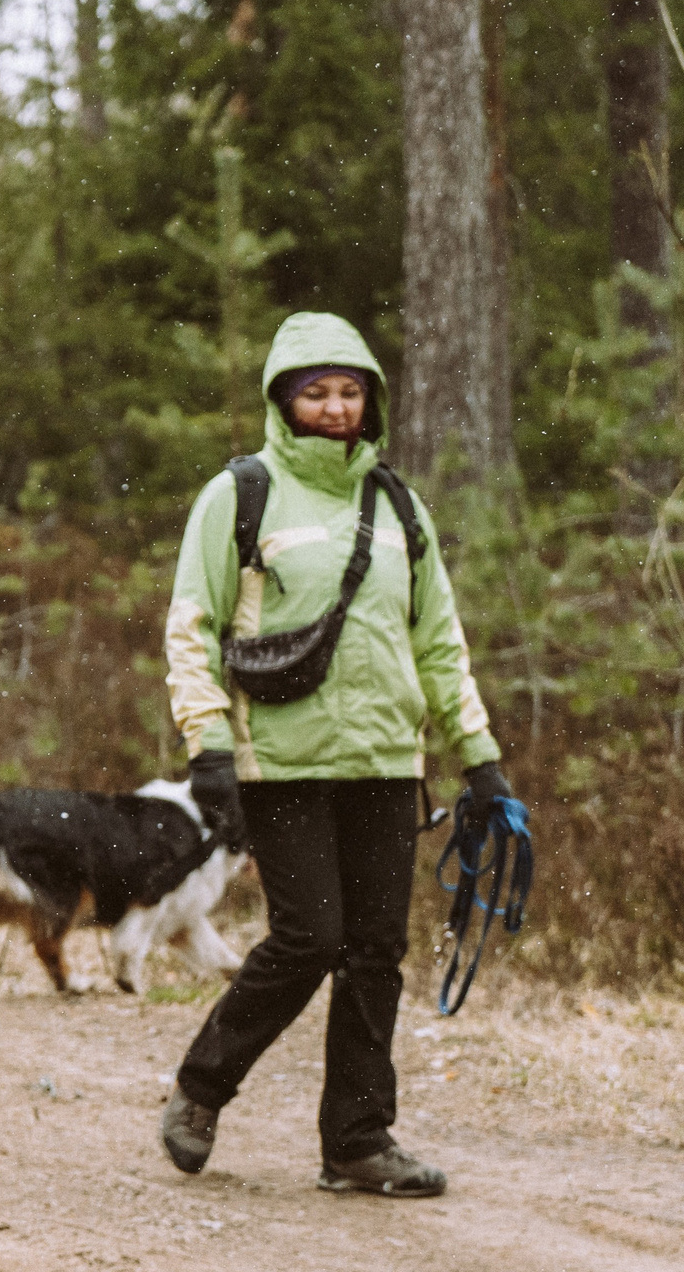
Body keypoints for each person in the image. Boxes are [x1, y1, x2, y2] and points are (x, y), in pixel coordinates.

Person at [158, 312, 512, 1198]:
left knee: (376, 950)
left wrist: (480, 757)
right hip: (280, 761)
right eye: (315, 390)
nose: (334, 405)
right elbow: (191, 629)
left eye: (349, 390)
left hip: (388, 762)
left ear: (370, 400)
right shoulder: (238, 494)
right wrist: (207, 746)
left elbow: (440, 642)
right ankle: (202, 1088)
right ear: (284, 398)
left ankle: (357, 1139)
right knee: (310, 937)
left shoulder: (396, 504)